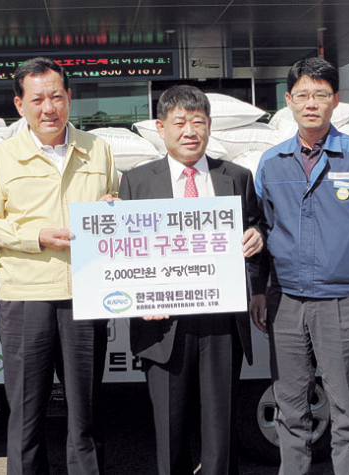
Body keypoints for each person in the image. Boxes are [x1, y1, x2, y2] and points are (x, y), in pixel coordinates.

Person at [0, 57, 119, 475]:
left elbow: (114, 208)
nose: (48, 107)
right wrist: (34, 237)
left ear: (69, 97)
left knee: (85, 415)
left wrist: (115, 209)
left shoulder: (97, 149)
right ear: (20, 105)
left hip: (84, 299)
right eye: (37, 99)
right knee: (25, 417)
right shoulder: (1, 158)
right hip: (26, 300)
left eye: (56, 96)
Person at [249, 57, 349, 475]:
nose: (311, 103)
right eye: (302, 95)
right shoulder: (272, 162)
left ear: (335, 100)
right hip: (286, 302)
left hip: (344, 301)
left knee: (348, 414)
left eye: (320, 95)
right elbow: (259, 230)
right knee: (290, 410)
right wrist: (259, 289)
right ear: (288, 101)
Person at [118, 85, 263, 475]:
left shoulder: (236, 177)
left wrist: (257, 237)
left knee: (221, 428)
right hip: (161, 324)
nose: (189, 131)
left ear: (210, 126)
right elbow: (123, 251)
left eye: (198, 122)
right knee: (169, 428)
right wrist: (137, 300)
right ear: (160, 127)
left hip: (221, 323)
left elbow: (256, 227)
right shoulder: (135, 182)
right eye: (179, 122)